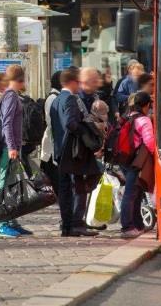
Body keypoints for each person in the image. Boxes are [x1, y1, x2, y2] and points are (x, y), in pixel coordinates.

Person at [50, 68, 99, 237]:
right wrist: (85, 131)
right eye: (78, 82)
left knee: (65, 190)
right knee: (77, 187)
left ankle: (67, 225)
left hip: (60, 150)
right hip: (72, 151)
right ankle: (76, 224)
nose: (80, 85)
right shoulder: (70, 99)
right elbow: (70, 123)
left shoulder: (56, 100)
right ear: (72, 82)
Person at [0, 64, 33, 238]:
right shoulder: (10, 96)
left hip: (13, 147)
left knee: (13, 185)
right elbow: (7, 124)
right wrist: (11, 146)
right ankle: (3, 223)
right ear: (20, 80)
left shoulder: (10, 95)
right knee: (5, 185)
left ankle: (11, 219)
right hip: (8, 149)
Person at [120, 92, 155, 238]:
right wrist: (156, 156)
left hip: (125, 159)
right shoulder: (144, 120)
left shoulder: (127, 116)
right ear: (146, 105)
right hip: (137, 161)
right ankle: (127, 227)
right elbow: (150, 142)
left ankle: (138, 225)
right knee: (131, 193)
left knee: (136, 193)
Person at [40, 71, 62, 195]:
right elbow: (51, 122)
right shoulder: (52, 98)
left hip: (53, 145)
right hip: (51, 145)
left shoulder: (56, 97)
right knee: (53, 178)